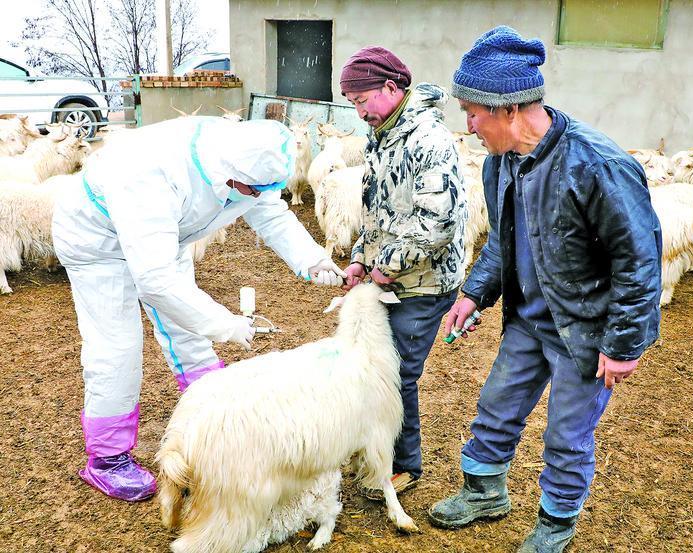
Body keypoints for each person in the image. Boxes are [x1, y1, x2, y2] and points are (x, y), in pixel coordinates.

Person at [427, 26, 662, 552]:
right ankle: (484, 492)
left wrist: (623, 344)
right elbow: (502, 243)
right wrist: (473, 293)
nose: (468, 127)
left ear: (508, 109)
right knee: (496, 408)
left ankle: (556, 524)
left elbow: (639, 259)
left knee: (565, 437)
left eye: (472, 113)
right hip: (529, 321)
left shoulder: (597, 164)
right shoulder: (501, 163)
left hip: (585, 333)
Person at [52, 116, 346, 502]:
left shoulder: (248, 157)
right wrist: (226, 324)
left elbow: (269, 210)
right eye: (252, 189)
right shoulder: (152, 175)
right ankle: (107, 458)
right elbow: (155, 281)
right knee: (117, 348)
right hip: (98, 241)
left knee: (187, 334)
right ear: (232, 177)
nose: (258, 195)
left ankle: (215, 420)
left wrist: (312, 260)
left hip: (168, 235)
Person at [339, 46, 467, 497]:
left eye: (362, 100)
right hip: (394, 275)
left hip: (426, 281)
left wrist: (384, 267)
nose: (359, 112)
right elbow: (378, 212)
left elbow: (439, 222)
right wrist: (360, 255)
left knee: (396, 372)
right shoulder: (385, 135)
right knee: (374, 365)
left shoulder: (428, 140)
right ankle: (377, 448)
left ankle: (404, 464)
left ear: (391, 88)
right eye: (352, 103)